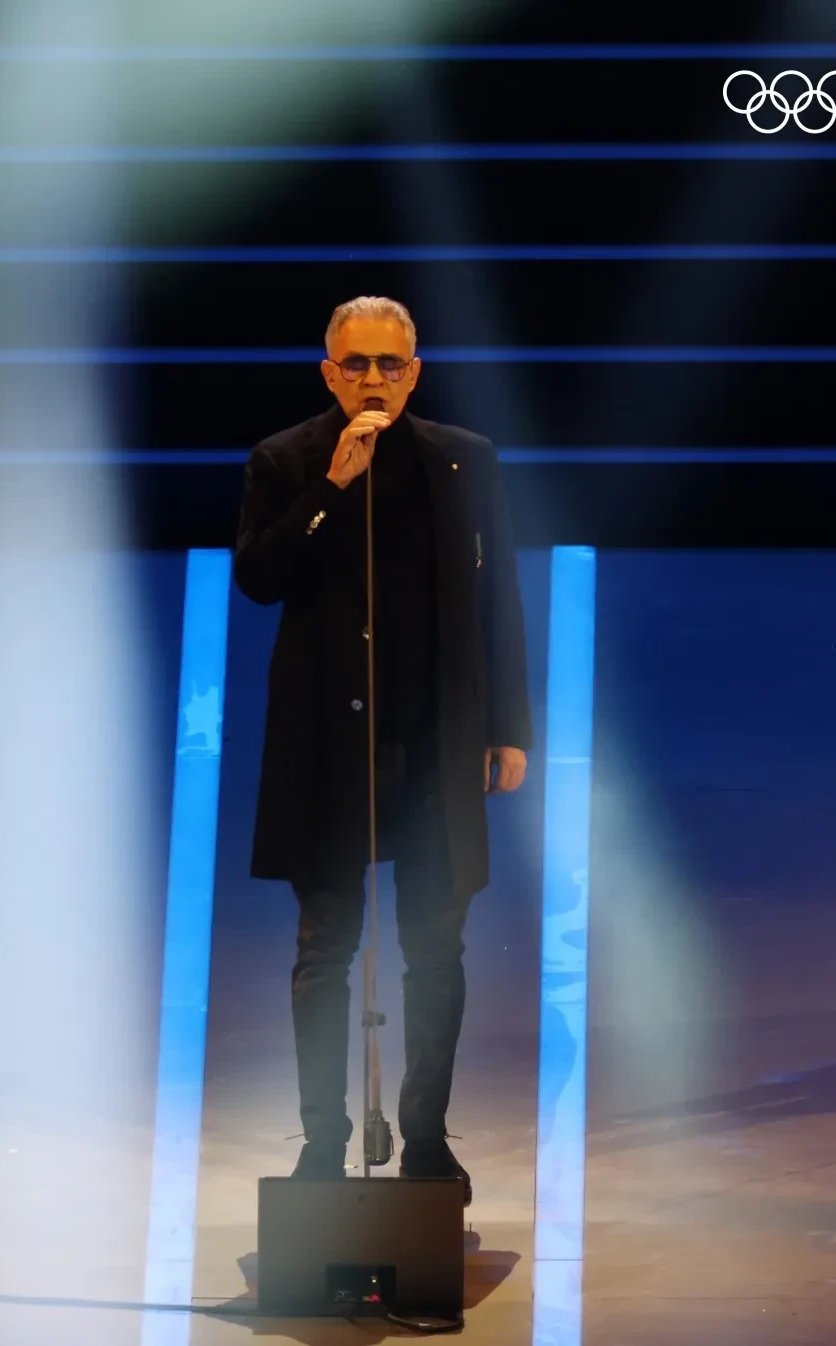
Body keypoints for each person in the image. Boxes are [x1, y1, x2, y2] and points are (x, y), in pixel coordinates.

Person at [234, 296, 531, 1207]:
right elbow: (259, 578)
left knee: (435, 949)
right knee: (325, 948)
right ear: (330, 373)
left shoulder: (463, 459)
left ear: (415, 372)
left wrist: (508, 725)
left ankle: (427, 1140)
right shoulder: (285, 459)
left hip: (434, 741)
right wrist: (331, 488)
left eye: (389, 364)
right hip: (330, 744)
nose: (373, 380)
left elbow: (499, 595)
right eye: (356, 364)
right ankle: (324, 1141)